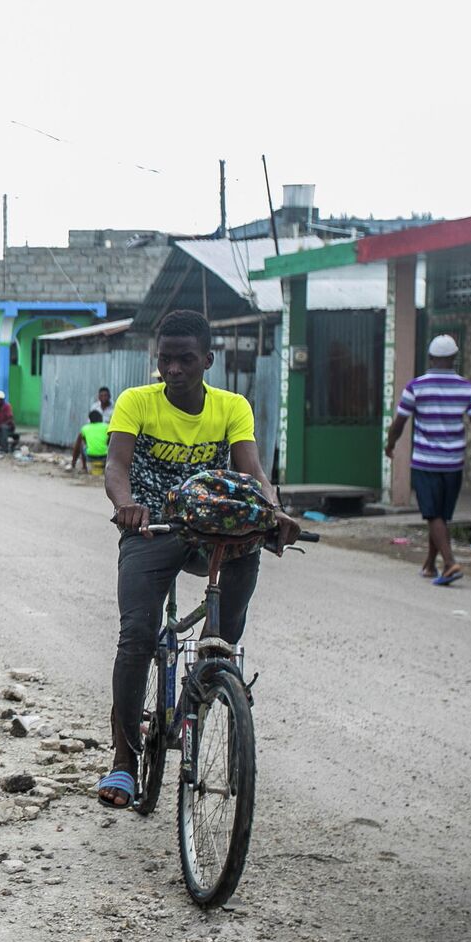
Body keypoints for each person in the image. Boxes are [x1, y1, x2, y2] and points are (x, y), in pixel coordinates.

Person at [96, 310, 298, 809]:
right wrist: (126, 506)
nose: (174, 369)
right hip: (152, 528)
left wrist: (273, 512)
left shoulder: (232, 407)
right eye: (166, 359)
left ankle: (205, 685)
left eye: (186, 359)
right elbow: (116, 466)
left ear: (208, 360)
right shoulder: (135, 402)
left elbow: (252, 473)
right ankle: (124, 760)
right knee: (138, 637)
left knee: (224, 634)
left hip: (212, 530)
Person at [384, 334, 471, 586]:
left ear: (431, 358)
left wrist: (390, 445)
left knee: (433, 516)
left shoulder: (416, 386)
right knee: (440, 515)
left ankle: (450, 563)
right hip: (454, 463)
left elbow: (399, 423)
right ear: (454, 358)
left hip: (425, 462)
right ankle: (430, 565)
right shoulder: (468, 387)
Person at [72, 408, 109, 474]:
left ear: (90, 420)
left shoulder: (85, 428)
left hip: (90, 457)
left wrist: (73, 463)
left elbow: (77, 446)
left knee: (80, 444)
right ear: (101, 418)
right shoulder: (106, 427)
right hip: (105, 457)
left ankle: (84, 467)